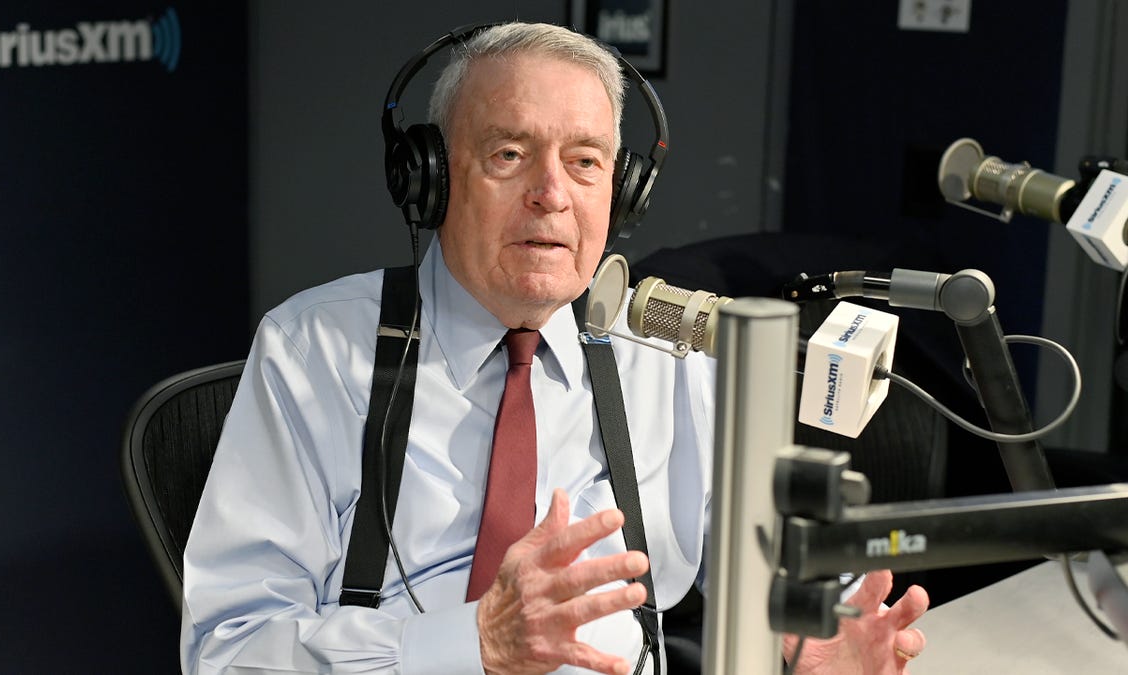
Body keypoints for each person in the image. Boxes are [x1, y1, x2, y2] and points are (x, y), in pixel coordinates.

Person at [180, 22, 928, 675]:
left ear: (622, 193)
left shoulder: (665, 351)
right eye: (509, 154)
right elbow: (226, 650)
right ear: (430, 178)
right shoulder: (313, 351)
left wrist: (810, 634)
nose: (551, 193)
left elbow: (765, 564)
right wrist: (474, 643)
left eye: (585, 161)